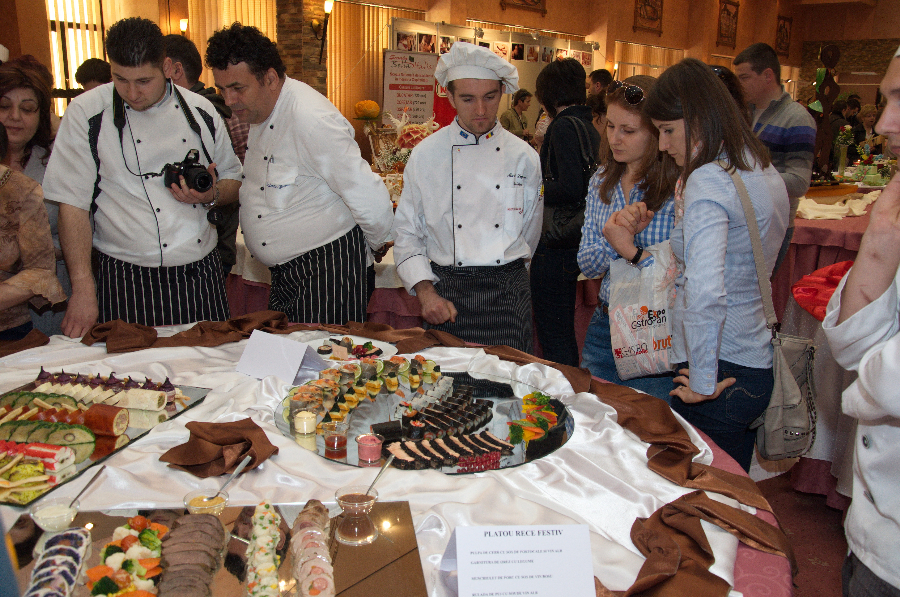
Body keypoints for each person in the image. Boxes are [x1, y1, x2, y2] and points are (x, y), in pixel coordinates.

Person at [43, 17, 242, 336]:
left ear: (167, 67)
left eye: (144, 81)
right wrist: (82, 288)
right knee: (130, 366)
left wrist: (212, 194)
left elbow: (234, 180)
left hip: (199, 272)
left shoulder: (201, 111)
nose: (132, 93)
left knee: (210, 362)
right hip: (123, 276)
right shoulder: (86, 113)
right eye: (121, 79)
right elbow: (72, 205)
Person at [645, 58, 789, 471]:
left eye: (668, 130)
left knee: (700, 490)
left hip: (719, 367)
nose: (662, 145)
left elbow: (707, 290)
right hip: (753, 357)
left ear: (699, 119)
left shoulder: (709, 177)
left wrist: (703, 380)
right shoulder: (759, 166)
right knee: (731, 488)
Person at [207, 23, 392, 325]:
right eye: (222, 89)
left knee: (321, 354)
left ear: (269, 78)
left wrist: (376, 244)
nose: (229, 101)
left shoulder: (310, 118)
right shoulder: (261, 110)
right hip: (287, 272)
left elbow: (366, 192)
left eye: (238, 88)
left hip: (326, 271)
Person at [392, 42, 542, 351]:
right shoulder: (426, 155)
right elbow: (406, 232)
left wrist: (510, 276)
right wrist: (426, 293)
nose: (481, 110)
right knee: (444, 380)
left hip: (508, 295)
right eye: (468, 99)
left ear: (503, 92)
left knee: (509, 377)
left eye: (490, 97)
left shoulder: (524, 157)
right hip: (446, 294)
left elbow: (530, 232)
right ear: (450, 96)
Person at [822, 49, 900, 597]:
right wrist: (877, 247)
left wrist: (870, 389)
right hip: (874, 533)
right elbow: (851, 347)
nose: (885, 123)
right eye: (886, 101)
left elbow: (887, 385)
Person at [578, 76, 679, 400]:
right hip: (605, 323)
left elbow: (684, 274)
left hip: (656, 325)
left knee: (649, 422)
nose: (615, 138)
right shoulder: (601, 180)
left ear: (657, 133)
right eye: (610, 126)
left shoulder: (678, 188)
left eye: (629, 130)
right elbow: (587, 264)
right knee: (593, 415)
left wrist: (628, 248)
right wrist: (614, 239)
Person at [531, 58, 601, 366]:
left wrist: (534, 189)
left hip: (557, 241)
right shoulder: (589, 123)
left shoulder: (562, 127)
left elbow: (570, 188)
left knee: (554, 331)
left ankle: (564, 386)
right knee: (561, 328)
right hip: (576, 235)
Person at [0, 59, 69, 336]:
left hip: (48, 304)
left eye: (27, 109)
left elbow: (82, 233)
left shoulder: (58, 165)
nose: (14, 116)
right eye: (4, 106)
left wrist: (23, 251)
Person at [163, 34, 240, 278]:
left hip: (211, 246)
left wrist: (211, 194)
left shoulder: (206, 112)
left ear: (175, 70)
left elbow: (233, 177)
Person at [733, 43, 815, 270]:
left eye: (744, 77)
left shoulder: (797, 118)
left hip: (773, 225)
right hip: (741, 219)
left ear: (768, 76)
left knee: (757, 289)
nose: (739, 85)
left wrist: (746, 178)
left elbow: (799, 182)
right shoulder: (743, 113)